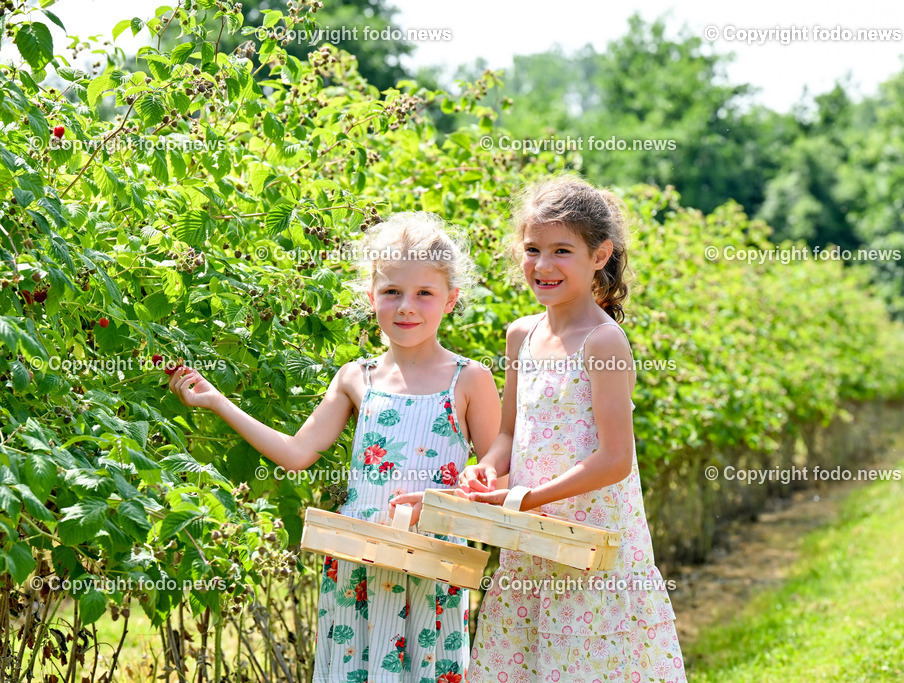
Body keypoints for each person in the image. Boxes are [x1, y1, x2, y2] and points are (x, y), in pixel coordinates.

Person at [168, 212, 501, 682]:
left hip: (432, 563)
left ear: (451, 300)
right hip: (358, 559)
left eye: (424, 293)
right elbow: (297, 453)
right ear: (371, 298)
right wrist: (218, 402)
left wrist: (463, 492)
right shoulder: (355, 377)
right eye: (391, 292)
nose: (407, 306)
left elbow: (496, 478)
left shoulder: (468, 379)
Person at [460, 176, 687, 681]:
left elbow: (614, 460)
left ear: (600, 255)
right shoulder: (521, 335)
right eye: (532, 249)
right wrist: (487, 469)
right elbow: (507, 433)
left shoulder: (604, 343)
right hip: (531, 540)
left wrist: (527, 497)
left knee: (585, 663)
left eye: (562, 250)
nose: (543, 266)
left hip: (591, 544)